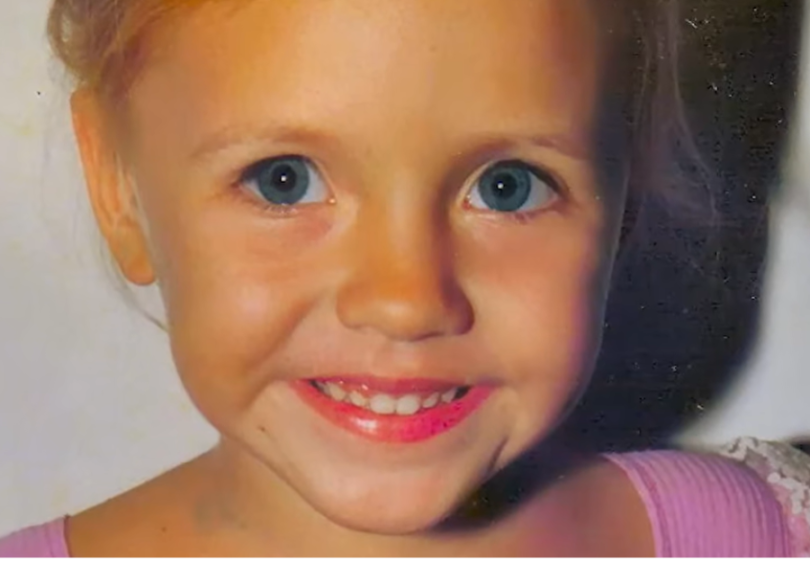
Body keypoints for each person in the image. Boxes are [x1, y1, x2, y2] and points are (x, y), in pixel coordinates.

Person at [0, 0, 807, 556]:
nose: (406, 299)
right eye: (284, 180)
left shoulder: (755, 534)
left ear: (624, 194)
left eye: (507, 187)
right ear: (119, 189)